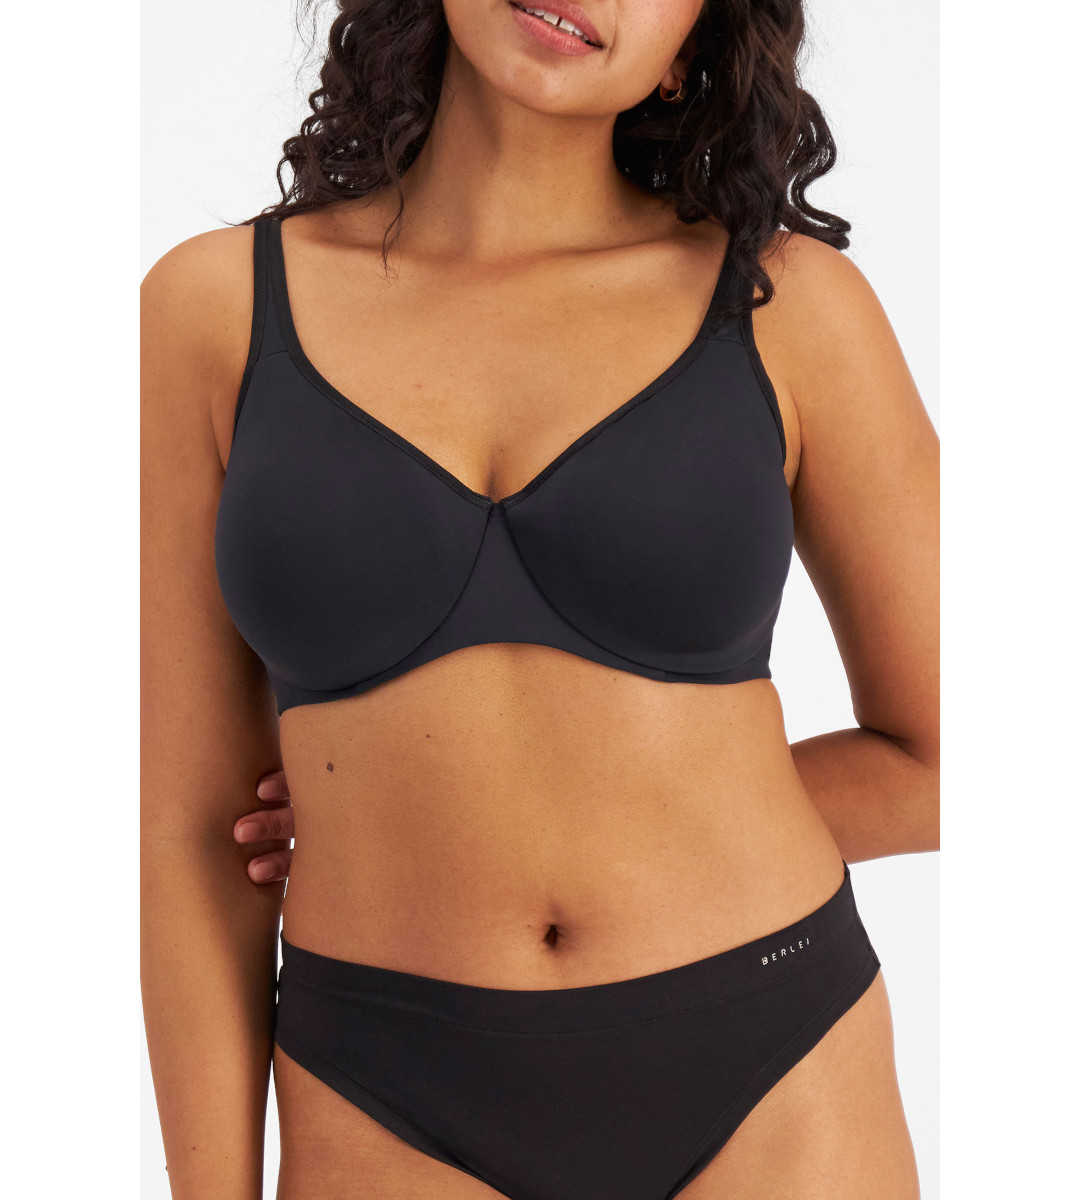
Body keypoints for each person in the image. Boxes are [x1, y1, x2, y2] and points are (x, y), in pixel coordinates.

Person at [141, 1, 939, 1197]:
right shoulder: (214, 309)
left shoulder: (790, 306)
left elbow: (962, 754)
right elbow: (195, 834)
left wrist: (578, 813)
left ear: (694, 44)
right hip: (382, 1090)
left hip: (772, 1065)